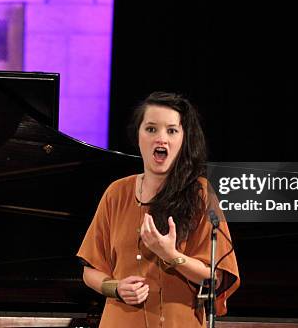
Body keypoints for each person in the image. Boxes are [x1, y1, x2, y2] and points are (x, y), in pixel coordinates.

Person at [77, 92, 239, 328]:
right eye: (151, 129)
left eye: (172, 131)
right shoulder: (116, 192)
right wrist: (116, 287)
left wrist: (171, 255)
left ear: (184, 139)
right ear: (138, 135)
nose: (161, 138)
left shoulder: (201, 193)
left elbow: (215, 278)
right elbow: (91, 271)